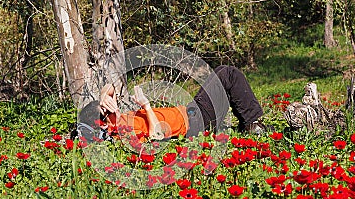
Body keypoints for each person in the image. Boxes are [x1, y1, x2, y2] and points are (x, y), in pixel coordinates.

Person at [78, 65, 268, 141]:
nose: (114, 108)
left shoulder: (118, 122)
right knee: (227, 74)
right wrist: (146, 106)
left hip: (192, 114)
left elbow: (110, 86)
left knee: (222, 73)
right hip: (194, 122)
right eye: (108, 111)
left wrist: (104, 95)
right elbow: (156, 136)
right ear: (104, 122)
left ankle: (248, 124)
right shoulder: (124, 131)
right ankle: (253, 126)